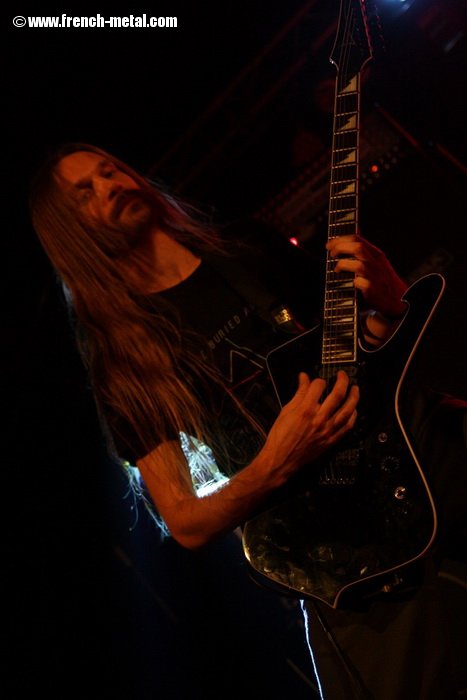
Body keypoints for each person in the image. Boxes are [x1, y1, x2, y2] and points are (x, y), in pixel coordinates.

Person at [30, 143, 466, 699]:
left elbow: (364, 355)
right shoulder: (124, 363)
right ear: (70, 234)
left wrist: (389, 305)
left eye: (109, 169)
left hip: (426, 458)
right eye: (85, 193)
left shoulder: (247, 246)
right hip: (347, 553)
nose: (110, 186)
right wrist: (276, 461)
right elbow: (186, 522)